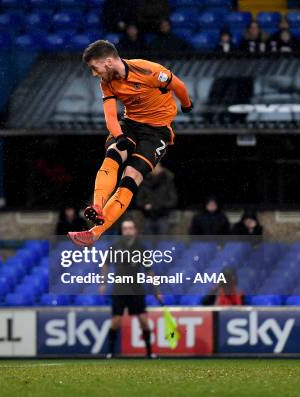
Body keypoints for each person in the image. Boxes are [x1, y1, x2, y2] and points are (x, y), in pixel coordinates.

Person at [68, 40, 192, 247]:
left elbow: (178, 85)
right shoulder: (106, 82)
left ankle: (95, 233)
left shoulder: (149, 70)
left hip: (157, 131)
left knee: (131, 176)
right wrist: (120, 137)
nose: (93, 73)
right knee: (114, 153)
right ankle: (97, 206)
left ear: (108, 62)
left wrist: (187, 105)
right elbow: (110, 117)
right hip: (131, 124)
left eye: (94, 67)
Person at [99, 218, 162, 358]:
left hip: (136, 288)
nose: (127, 231)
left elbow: (149, 270)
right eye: (125, 228)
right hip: (119, 288)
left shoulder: (141, 248)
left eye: (130, 228)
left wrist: (157, 290)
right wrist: (103, 283)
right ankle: (110, 352)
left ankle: (149, 352)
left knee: (144, 321)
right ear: (122, 231)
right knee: (116, 321)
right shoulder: (115, 246)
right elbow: (105, 264)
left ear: (135, 230)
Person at [134, 163, 177, 235]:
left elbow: (173, 200)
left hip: (163, 216)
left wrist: (159, 206)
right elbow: (139, 200)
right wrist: (145, 205)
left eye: (157, 167)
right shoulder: (145, 182)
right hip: (147, 217)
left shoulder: (168, 182)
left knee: (162, 240)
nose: (155, 169)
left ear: (161, 168)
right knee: (147, 240)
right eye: (153, 167)